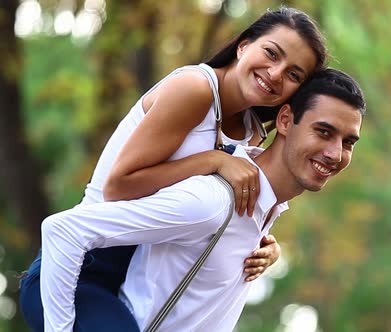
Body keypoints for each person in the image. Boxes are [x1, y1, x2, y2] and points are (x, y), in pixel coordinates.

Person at [20, 7, 328, 330]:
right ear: (243, 46)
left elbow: (205, 208)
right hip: (80, 269)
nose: (276, 73)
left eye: (294, 74)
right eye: (271, 53)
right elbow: (119, 186)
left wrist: (265, 244)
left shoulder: (253, 131)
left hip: (134, 287)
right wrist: (214, 161)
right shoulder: (195, 89)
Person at [36, 68, 366, 331]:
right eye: (323, 132)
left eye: (348, 142)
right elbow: (63, 230)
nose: (335, 153)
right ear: (283, 120)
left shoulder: (261, 210)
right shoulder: (213, 201)